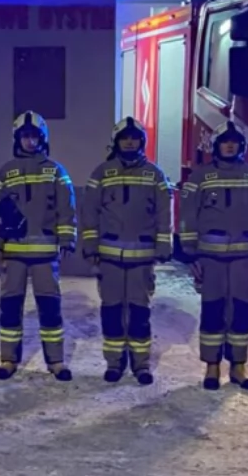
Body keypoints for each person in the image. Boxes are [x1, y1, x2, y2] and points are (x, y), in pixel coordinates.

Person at [180, 121, 248, 391]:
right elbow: (188, 216)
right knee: (213, 311)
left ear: (241, 146)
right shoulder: (199, 177)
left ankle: (238, 366)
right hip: (210, 259)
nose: (229, 145)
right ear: (216, 145)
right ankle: (212, 367)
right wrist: (190, 255)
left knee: (241, 313)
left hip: (245, 259)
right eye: (225, 141)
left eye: (234, 141)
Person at [81, 117, 173, 385]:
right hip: (109, 257)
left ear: (141, 142)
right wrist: (90, 246)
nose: (130, 142)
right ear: (117, 142)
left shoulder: (155, 175)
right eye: (125, 138)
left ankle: (141, 364)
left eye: (134, 138)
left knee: (140, 310)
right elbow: (90, 213)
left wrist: (164, 245)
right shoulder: (101, 173)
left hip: (142, 257)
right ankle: (114, 362)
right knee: (111, 309)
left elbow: (164, 214)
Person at [0, 111, 76, 381]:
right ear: (17, 139)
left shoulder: (56, 171)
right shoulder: (5, 172)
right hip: (13, 254)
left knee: (50, 307)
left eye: (34, 136)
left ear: (43, 138)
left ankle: (56, 361)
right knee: (10, 306)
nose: (30, 141)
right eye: (25, 136)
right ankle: (8, 359)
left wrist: (67, 239)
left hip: (45, 253)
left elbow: (66, 208)